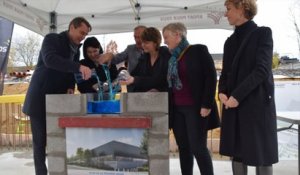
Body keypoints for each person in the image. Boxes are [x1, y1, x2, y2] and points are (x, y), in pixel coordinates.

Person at [22, 17, 92, 175]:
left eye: (85, 34)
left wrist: (69, 86)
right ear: (71, 27)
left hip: (58, 101)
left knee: (57, 139)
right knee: (40, 143)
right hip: (39, 99)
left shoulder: (76, 48)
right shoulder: (52, 39)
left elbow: (69, 72)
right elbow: (50, 60)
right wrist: (78, 66)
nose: (83, 37)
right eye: (81, 32)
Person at [218, 0, 278, 175]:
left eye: (228, 9)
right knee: (236, 153)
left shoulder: (263, 33)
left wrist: (236, 96)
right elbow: (226, 72)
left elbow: (262, 69)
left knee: (262, 153)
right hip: (233, 105)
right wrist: (222, 91)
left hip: (257, 105)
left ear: (242, 8)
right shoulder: (229, 42)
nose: (225, 14)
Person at [162, 22, 220, 175]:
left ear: (178, 35)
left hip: (196, 108)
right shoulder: (171, 57)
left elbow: (211, 77)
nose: (164, 41)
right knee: (184, 148)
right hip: (177, 109)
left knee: (198, 148)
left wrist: (207, 104)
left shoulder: (198, 50)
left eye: (166, 37)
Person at [119, 27, 171, 92]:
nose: (143, 45)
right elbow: (134, 75)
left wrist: (134, 80)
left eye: (146, 43)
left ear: (155, 42)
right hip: (145, 98)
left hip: (164, 98)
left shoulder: (166, 55)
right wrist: (125, 77)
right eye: (142, 42)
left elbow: (161, 80)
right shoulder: (144, 58)